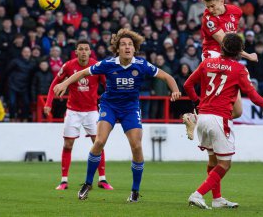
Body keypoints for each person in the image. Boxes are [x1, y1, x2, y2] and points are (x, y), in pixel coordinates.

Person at [53, 29, 181, 202]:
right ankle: (88, 183)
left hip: (130, 108)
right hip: (110, 106)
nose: (127, 47)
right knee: (99, 141)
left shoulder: (141, 64)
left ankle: (135, 191)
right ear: (118, 49)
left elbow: (167, 76)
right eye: (123, 44)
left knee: (136, 146)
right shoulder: (108, 63)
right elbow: (83, 73)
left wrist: (175, 90)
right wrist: (65, 83)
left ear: (134, 49)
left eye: (130, 45)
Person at [183, 33, 263, 209]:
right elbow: (251, 93)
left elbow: (187, 85)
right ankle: (198, 194)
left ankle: (217, 199)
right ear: (239, 51)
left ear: (222, 48)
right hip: (219, 119)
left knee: (213, 161)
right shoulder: (239, 69)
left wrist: (197, 101)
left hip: (203, 118)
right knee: (225, 164)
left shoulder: (206, 63)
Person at [45, 39, 113, 191]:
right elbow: (55, 83)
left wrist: (110, 103)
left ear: (90, 52)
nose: (83, 52)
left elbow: (107, 85)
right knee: (68, 145)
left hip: (91, 112)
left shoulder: (97, 66)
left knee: (99, 144)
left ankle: (102, 179)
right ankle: (64, 181)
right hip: (73, 111)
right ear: (76, 52)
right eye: (80, 49)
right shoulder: (69, 66)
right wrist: (48, 103)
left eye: (86, 49)